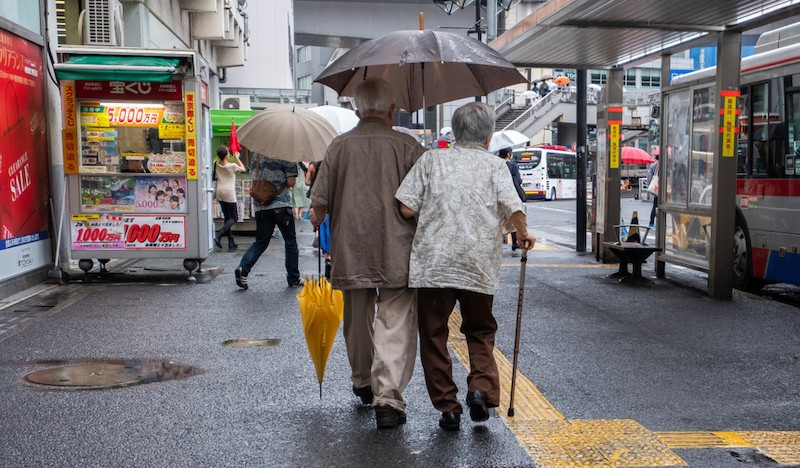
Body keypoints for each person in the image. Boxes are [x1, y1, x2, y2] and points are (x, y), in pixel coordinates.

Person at [395, 102, 535, 432]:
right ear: (488, 137)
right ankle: (481, 390)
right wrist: (524, 234)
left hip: (434, 263)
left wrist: (434, 214)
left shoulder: (431, 160)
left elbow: (404, 209)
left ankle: (448, 406)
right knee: (480, 329)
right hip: (478, 263)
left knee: (433, 335)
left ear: (455, 133)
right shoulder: (495, 167)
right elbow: (513, 206)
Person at [309, 78, 427, 429]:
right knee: (395, 322)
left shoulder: (338, 146)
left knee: (357, 318)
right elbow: (425, 199)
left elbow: (319, 204)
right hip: (398, 249)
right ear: (392, 109)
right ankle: (388, 398)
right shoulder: (409, 146)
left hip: (351, 246)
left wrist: (319, 217)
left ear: (358, 110)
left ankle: (363, 381)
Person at [235, 153, 301, 289]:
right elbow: (291, 183)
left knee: (260, 242)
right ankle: (293, 278)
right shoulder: (286, 155)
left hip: (261, 205)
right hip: (281, 206)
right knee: (290, 242)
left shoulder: (257, 156)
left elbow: (253, 176)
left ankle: (243, 268)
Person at [214, 145, 246, 250]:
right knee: (234, 217)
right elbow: (243, 169)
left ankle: (231, 243)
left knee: (227, 217)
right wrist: (237, 158)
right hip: (229, 193)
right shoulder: (231, 166)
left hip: (220, 192)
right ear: (227, 156)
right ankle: (219, 235)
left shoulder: (215, 164)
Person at [499, 147, 527, 252]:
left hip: (498, 196)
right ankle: (514, 243)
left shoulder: (496, 165)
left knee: (499, 219)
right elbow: (518, 180)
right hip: (511, 195)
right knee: (513, 218)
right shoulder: (512, 166)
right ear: (508, 154)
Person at [647, 154, 659, 228]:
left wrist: (650, 185)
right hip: (661, 189)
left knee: (655, 206)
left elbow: (649, 177)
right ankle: (658, 222)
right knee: (657, 206)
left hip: (655, 189)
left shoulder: (653, 166)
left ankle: (651, 222)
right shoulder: (663, 166)